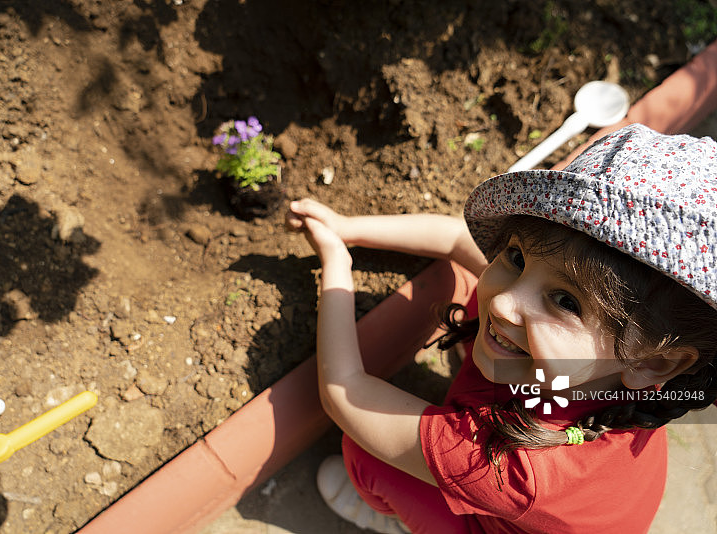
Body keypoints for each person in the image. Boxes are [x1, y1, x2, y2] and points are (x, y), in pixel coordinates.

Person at [285, 123, 717, 534]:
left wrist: (337, 263)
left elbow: (346, 393)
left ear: (656, 362)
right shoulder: (609, 363)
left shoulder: (512, 465)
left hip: (513, 498)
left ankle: (396, 520)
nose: (506, 301)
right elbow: (457, 241)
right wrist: (349, 228)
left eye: (566, 302)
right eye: (516, 256)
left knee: (366, 454)